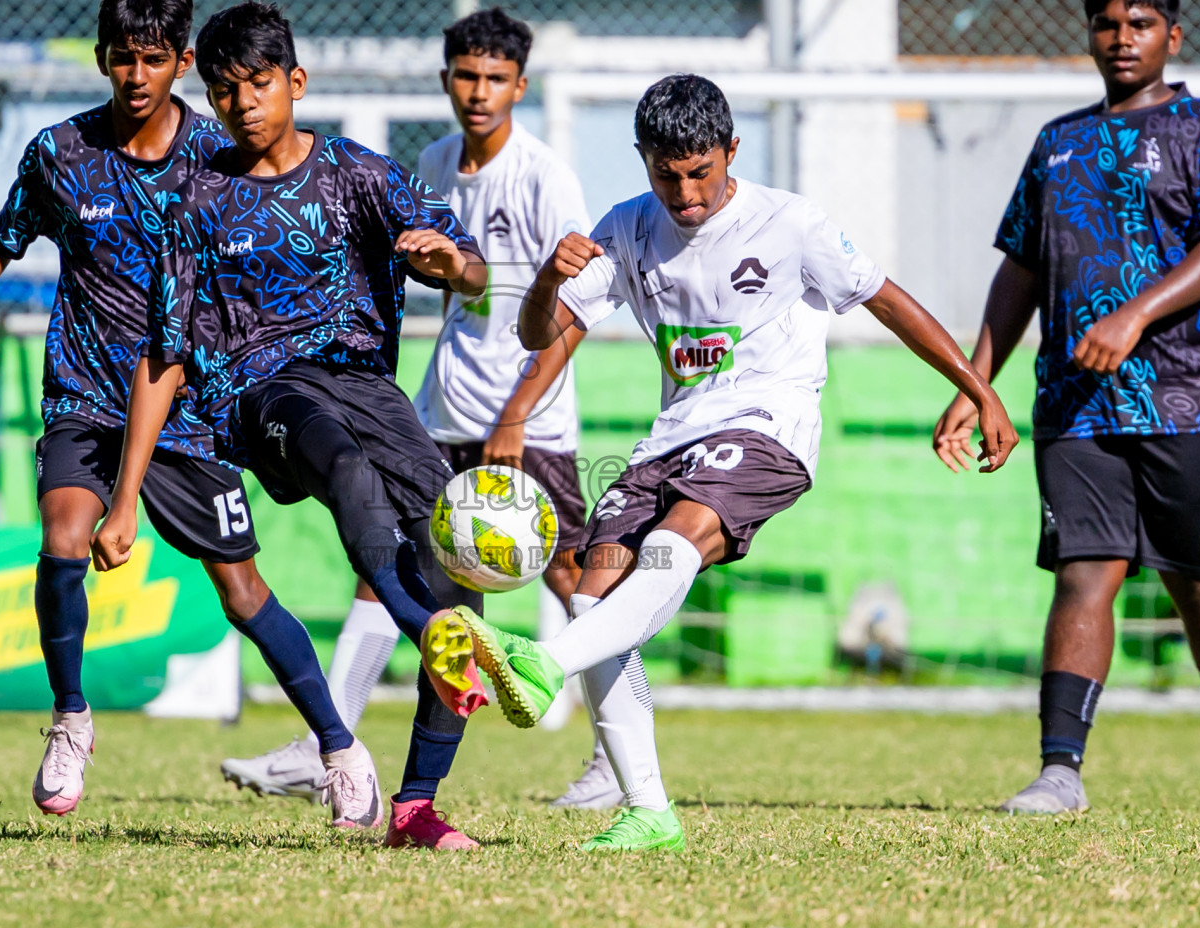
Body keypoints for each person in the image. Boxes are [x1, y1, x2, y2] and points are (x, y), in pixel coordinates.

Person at [421, 73, 1018, 852]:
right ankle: (648, 810)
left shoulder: (792, 224)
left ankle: (541, 666)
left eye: (701, 170)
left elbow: (888, 300)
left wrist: (980, 390)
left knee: (676, 542)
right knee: (594, 590)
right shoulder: (629, 227)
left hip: (769, 423)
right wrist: (546, 276)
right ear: (643, 161)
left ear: (731, 151)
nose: (686, 191)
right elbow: (539, 335)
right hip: (671, 434)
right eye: (666, 173)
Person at [0, 0, 379, 827]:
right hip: (83, 392)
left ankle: (338, 746)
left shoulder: (218, 161)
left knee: (243, 591)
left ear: (183, 61)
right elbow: (4, 237)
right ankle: (70, 719)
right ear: (101, 59)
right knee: (64, 537)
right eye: (120, 59)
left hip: (184, 405)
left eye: (152, 60)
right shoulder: (59, 153)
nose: (135, 76)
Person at [92, 0, 493, 851]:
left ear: (297, 82)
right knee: (345, 469)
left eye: (260, 84)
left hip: (369, 390)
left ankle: (416, 807)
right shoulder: (197, 200)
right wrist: (125, 493)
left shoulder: (361, 174)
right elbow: (165, 352)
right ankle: (430, 634)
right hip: (266, 396)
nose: (242, 104)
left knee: (450, 561)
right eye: (224, 90)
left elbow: (475, 269)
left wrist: (450, 262)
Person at [218, 7, 623, 810]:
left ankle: (616, 753)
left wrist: (515, 415)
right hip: (441, 409)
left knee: (573, 577)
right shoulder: (431, 163)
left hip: (525, 419)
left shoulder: (544, 175)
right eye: (466, 76)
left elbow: (573, 308)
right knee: (395, 572)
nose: (479, 93)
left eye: (496, 79)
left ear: (520, 86)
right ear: (445, 81)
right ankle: (321, 744)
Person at [933, 0, 1200, 815]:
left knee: (1199, 576)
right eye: (1107, 25)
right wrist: (975, 382)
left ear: (1173, 37)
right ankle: (1060, 771)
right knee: (1085, 571)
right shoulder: (1058, 141)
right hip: (1076, 404)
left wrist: (1131, 317)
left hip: (1196, 392)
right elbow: (1020, 268)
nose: (1122, 39)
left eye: (1141, 25)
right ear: (1089, 34)